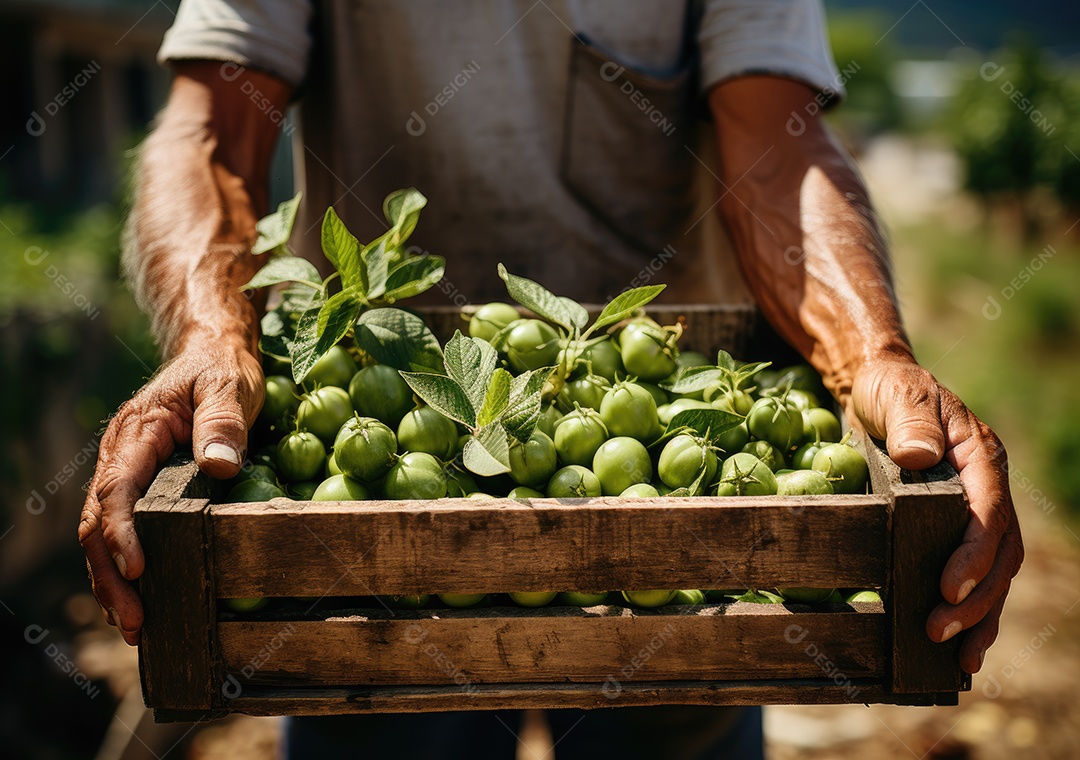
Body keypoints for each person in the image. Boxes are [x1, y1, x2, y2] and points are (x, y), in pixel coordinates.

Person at [78, 1, 1023, 757]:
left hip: (678, 535)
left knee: (677, 708)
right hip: (373, 530)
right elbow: (209, 126)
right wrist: (211, 334)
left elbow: (777, 148)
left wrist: (874, 355)